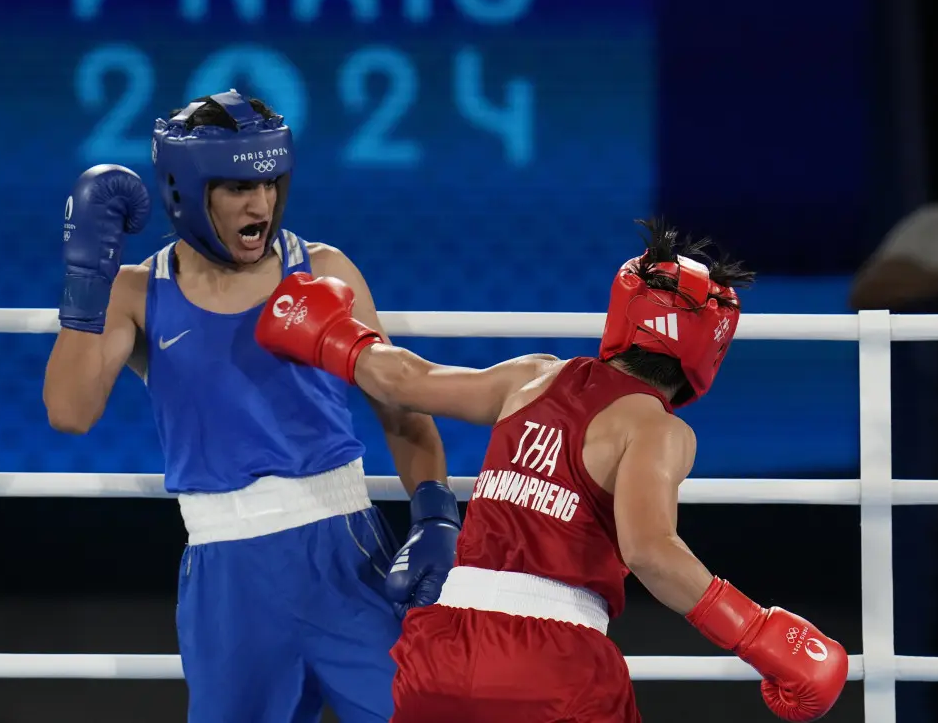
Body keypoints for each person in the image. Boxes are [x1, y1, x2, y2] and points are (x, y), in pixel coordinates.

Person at [256, 218, 850, 723]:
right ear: (708, 351)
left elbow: (402, 381)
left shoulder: (534, 375)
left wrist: (330, 335)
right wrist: (757, 633)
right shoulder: (657, 430)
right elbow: (650, 552)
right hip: (552, 662)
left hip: (440, 645)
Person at [42, 89, 457, 723]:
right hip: (228, 571)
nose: (259, 204)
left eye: (268, 183)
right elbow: (69, 412)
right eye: (237, 187)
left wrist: (435, 516)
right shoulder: (137, 292)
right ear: (188, 191)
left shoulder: (321, 268)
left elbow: (400, 409)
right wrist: (86, 276)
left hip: (345, 549)